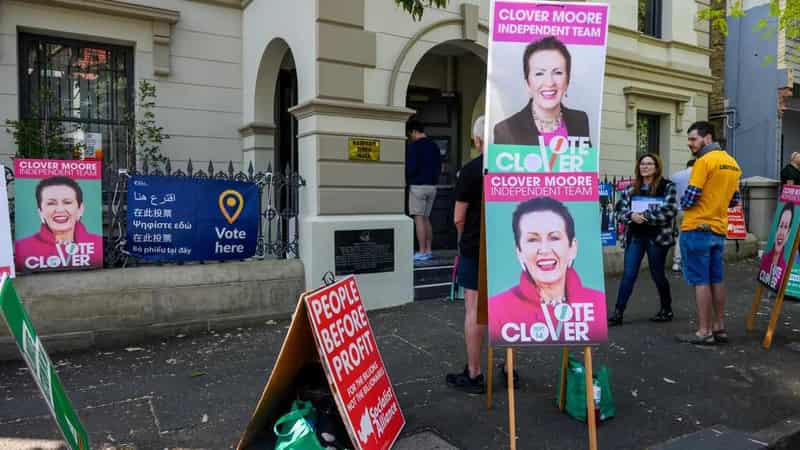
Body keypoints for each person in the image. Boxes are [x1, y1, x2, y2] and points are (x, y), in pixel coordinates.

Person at [488, 197, 606, 344]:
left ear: (572, 247)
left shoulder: (597, 303)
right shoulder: (497, 309)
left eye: (554, 237)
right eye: (532, 239)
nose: (544, 250)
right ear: (519, 251)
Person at [677, 121, 742, 345]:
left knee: (701, 281)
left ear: (707, 138)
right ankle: (719, 326)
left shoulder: (703, 162)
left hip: (697, 228)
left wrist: (683, 203)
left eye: (693, 139)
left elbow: (691, 197)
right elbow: (734, 201)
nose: (690, 144)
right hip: (718, 229)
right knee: (717, 279)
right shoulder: (733, 163)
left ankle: (703, 331)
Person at [608, 153, 678, 326]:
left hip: (658, 238)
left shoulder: (667, 186)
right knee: (629, 274)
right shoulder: (631, 188)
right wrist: (631, 215)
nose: (645, 167)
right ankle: (618, 313)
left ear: (656, 167)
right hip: (636, 237)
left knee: (657, 274)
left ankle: (666, 309)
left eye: (649, 164)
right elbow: (618, 211)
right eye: (642, 164)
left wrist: (644, 216)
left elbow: (669, 211)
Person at [446, 116, 487, 394]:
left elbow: (459, 218)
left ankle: (474, 373)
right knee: (508, 308)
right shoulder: (516, 168)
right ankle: (509, 369)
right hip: (510, 248)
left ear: (476, 140)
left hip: (475, 248)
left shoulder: (472, 170)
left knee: (474, 309)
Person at [493, 36, 591, 146]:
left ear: (567, 80)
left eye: (557, 72)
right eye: (539, 73)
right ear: (528, 82)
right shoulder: (505, 130)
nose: (549, 82)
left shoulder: (580, 121)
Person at [14, 176, 103, 271]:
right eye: (51, 203)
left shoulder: (97, 243)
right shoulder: (23, 247)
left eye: (67, 202)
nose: (60, 210)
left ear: (80, 209)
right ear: (40, 212)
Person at [406, 120, 441, 262]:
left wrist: (407, 177)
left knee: (419, 219)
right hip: (432, 187)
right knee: (427, 218)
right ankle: (429, 250)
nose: (410, 137)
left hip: (418, 187)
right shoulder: (434, 146)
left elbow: (411, 168)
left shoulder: (414, 146)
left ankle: (421, 251)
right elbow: (439, 166)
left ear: (414, 131)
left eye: (410, 135)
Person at [758, 203, 793, 290]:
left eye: (785, 227)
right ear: (776, 228)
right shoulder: (765, 258)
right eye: (781, 226)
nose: (781, 232)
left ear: (788, 233)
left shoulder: (785, 269)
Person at [669, 159, 695, 272]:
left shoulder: (675, 176)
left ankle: (677, 262)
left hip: (679, 210)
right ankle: (689, 263)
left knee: (680, 235)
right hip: (694, 211)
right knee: (693, 237)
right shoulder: (698, 175)